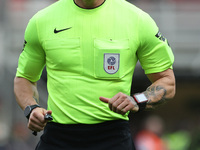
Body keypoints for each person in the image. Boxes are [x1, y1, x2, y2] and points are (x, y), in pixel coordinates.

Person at [13, 0, 176, 149]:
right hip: (58, 138)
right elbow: (24, 78)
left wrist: (136, 100)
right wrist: (32, 108)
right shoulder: (42, 21)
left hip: (113, 138)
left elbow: (167, 81)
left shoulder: (138, 20)